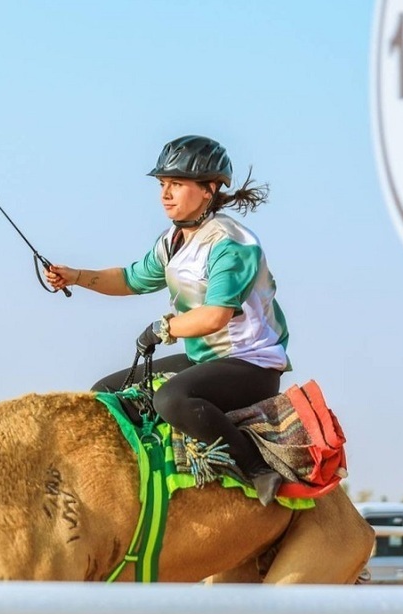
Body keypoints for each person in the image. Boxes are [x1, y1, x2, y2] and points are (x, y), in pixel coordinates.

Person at [45, 135, 288, 505]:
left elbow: (215, 316)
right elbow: (130, 279)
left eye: (176, 184)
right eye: (162, 184)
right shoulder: (173, 241)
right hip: (203, 360)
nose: (165, 194)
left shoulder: (232, 244)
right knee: (103, 392)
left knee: (170, 399)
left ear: (208, 189)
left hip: (250, 364)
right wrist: (76, 275)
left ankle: (257, 469)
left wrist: (163, 329)